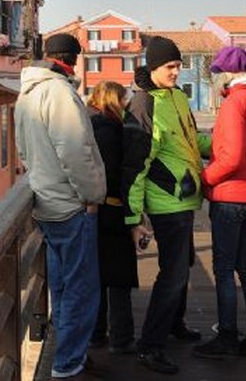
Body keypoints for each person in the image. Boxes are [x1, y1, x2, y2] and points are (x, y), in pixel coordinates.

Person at [15, 32, 107, 380]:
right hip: (71, 205)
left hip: (45, 202)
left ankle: (65, 354)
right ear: (74, 59)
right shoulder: (59, 92)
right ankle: (68, 362)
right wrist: (92, 195)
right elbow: (76, 151)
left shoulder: (26, 93)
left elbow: (24, 151)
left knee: (62, 285)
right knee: (82, 289)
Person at [126, 35, 211, 375]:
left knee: (182, 265)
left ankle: (175, 324)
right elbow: (135, 165)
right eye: (170, 67)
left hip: (185, 198)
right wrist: (134, 217)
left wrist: (225, 144)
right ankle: (150, 346)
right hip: (166, 202)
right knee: (173, 274)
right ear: (153, 68)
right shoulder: (144, 103)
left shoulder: (176, 96)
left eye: (178, 66)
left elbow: (192, 139)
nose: (176, 72)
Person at [193, 46, 246, 361]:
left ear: (226, 74)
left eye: (216, 74)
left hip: (230, 196)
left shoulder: (233, 104)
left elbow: (232, 155)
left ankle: (227, 336)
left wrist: (205, 177)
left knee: (224, 269)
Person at [86, 81, 147, 355]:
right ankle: (121, 338)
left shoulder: (89, 127)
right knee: (119, 278)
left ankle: (95, 334)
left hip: (93, 211)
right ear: (114, 101)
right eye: (124, 99)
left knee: (97, 276)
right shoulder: (112, 132)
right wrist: (133, 214)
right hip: (112, 209)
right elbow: (116, 175)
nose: (126, 104)